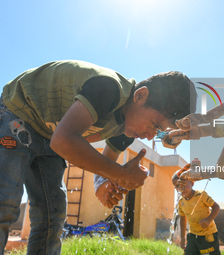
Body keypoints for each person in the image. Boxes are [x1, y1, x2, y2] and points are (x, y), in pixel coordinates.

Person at [0, 60, 197, 254]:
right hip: (19, 113)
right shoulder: (108, 87)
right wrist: (120, 174)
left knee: (52, 214)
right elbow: (63, 140)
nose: (151, 135)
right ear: (140, 95)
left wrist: (103, 184)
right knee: (5, 202)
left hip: (50, 134)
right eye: (155, 125)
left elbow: (103, 166)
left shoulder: (125, 131)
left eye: (160, 131)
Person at [172, 165, 221, 255]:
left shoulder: (201, 195)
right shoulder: (181, 202)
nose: (181, 188)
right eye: (178, 186)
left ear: (192, 183)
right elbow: (182, 218)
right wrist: (182, 237)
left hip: (208, 234)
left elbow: (216, 207)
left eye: (184, 184)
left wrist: (208, 220)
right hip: (193, 235)